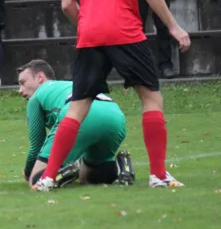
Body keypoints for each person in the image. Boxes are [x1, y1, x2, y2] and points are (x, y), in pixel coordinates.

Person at [33, 0, 191, 191]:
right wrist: (173, 26)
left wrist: (85, 25)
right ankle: (158, 175)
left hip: (91, 35)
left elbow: (66, 4)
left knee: (77, 108)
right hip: (125, 30)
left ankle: (48, 177)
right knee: (151, 98)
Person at [18, 60, 135, 189]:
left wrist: (28, 172)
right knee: (88, 176)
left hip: (81, 114)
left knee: (35, 181)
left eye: (23, 83)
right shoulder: (68, 85)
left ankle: (64, 172)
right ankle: (123, 167)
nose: (20, 90)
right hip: (115, 114)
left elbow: (36, 145)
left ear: (40, 77)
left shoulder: (36, 97)